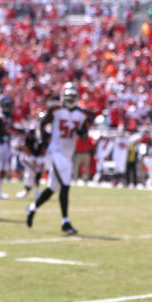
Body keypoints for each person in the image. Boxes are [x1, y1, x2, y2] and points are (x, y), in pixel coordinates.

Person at [26, 82, 91, 234]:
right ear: (63, 96)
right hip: (55, 151)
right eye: (68, 96)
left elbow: (84, 135)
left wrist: (82, 134)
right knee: (66, 185)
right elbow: (42, 122)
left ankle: (32, 208)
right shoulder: (55, 110)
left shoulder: (82, 114)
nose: (70, 99)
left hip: (68, 154)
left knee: (53, 188)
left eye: (73, 97)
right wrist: (43, 138)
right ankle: (65, 221)